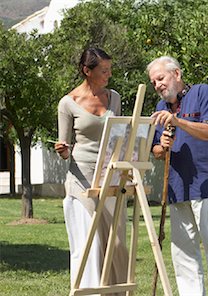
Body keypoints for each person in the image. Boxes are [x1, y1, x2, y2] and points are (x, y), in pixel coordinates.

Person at [148, 56, 208, 295]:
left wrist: (178, 122)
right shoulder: (160, 109)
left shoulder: (202, 92)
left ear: (176, 74)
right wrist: (162, 147)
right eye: (153, 82)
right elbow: (156, 150)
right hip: (178, 187)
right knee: (183, 253)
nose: (157, 85)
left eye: (160, 78)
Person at [55, 47, 128, 292]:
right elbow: (65, 149)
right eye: (103, 70)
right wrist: (63, 150)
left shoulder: (114, 98)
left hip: (111, 175)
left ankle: (115, 291)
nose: (109, 74)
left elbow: (121, 134)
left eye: (110, 69)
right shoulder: (68, 103)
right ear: (87, 71)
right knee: (89, 243)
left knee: (115, 243)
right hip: (82, 179)